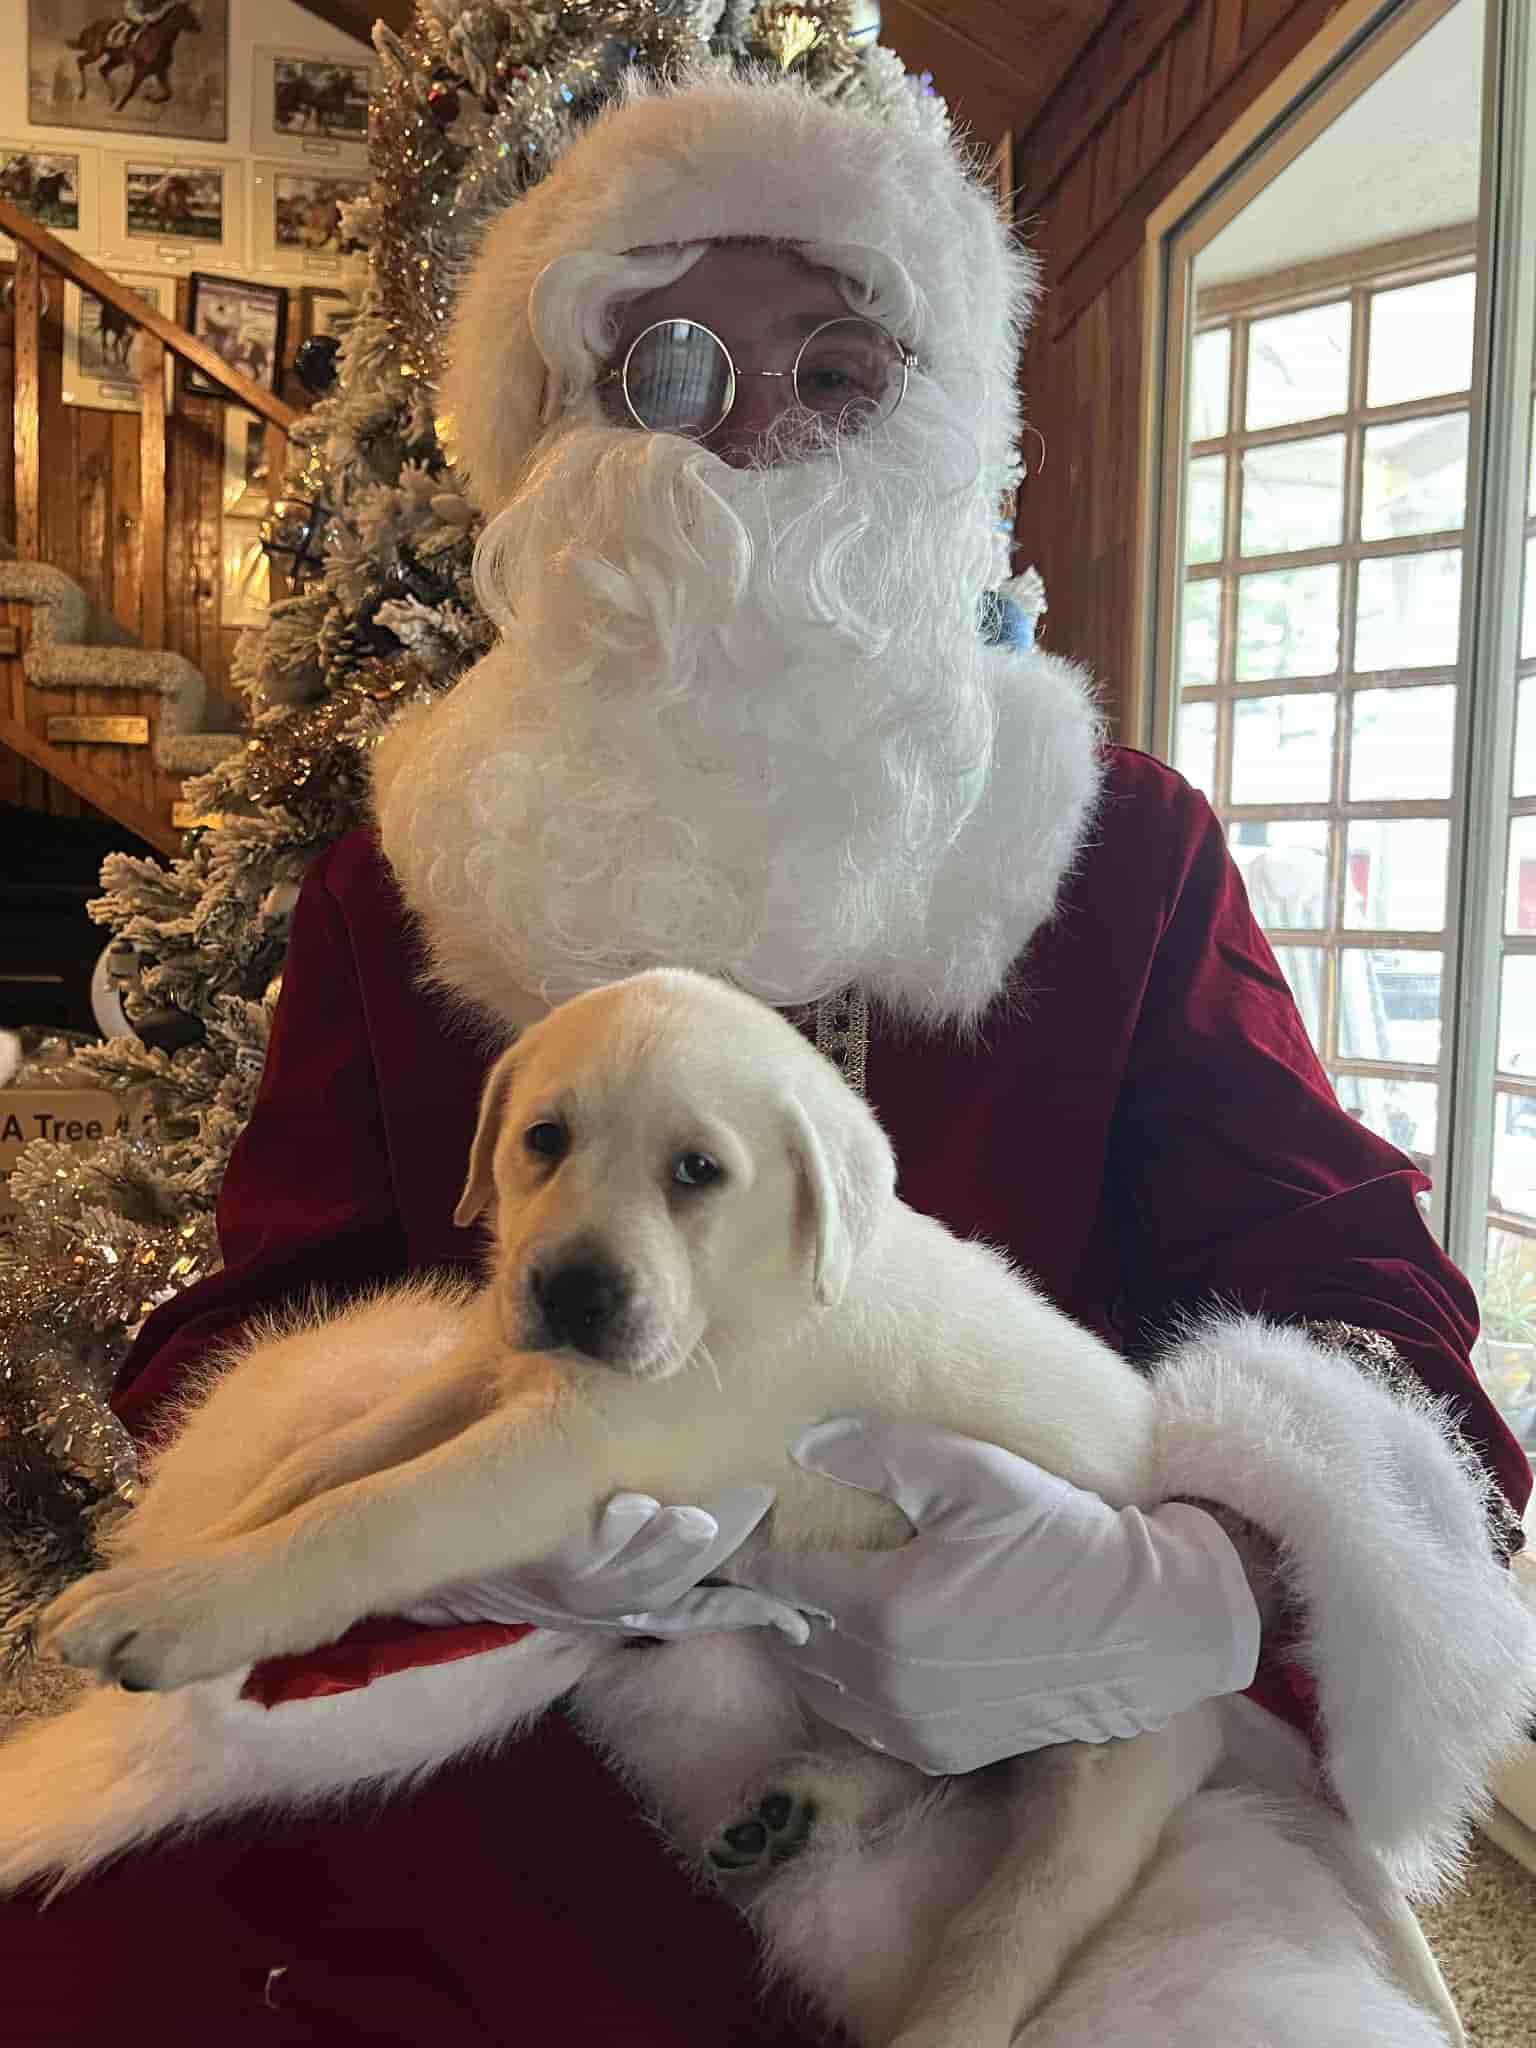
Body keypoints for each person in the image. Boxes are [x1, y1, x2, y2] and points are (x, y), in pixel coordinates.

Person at [2, 68, 1532, 2048]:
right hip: (507, 1690)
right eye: (669, 366)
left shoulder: (1118, 844)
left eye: (839, 362)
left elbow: (1357, 1288)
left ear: (945, 426)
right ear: (555, 433)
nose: (754, 430)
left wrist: (1197, 1580)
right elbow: (279, 1300)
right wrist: (501, 1491)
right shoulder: (399, 885)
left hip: (1068, 1726)